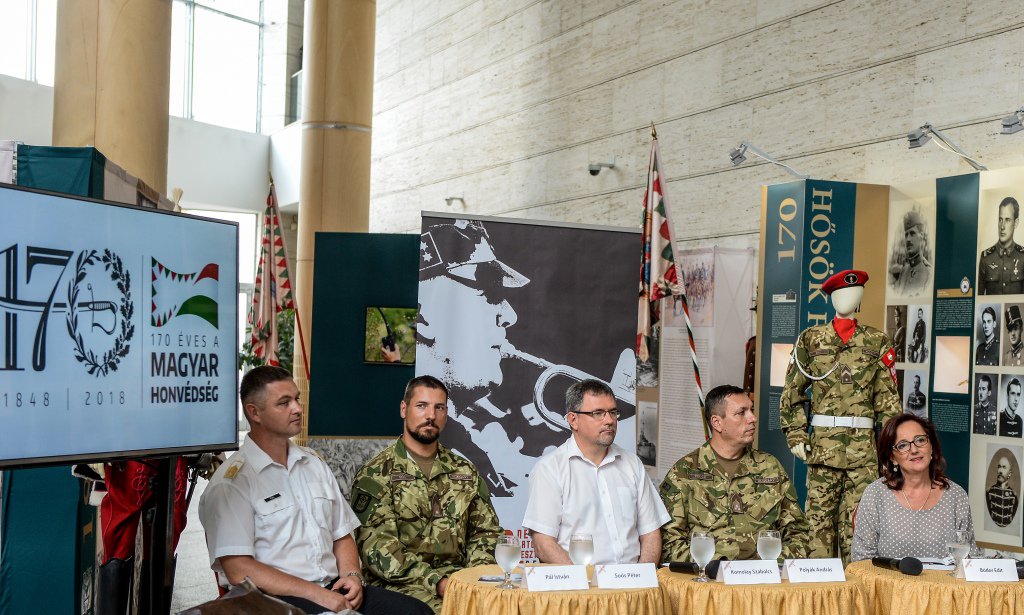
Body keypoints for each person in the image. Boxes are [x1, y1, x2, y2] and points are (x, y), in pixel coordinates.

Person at [199, 366, 432, 615]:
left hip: (332, 587)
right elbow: (238, 569)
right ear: (254, 412)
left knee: (418, 612)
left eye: (296, 399)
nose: (297, 408)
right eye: (284, 403)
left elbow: (342, 534)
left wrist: (352, 576)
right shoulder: (232, 482)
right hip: (273, 600)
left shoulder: (313, 463)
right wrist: (318, 595)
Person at [349, 375, 502, 613]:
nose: (431, 415)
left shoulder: (465, 471)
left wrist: (475, 577)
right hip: (400, 587)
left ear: (446, 414)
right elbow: (378, 548)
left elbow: (486, 532)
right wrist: (437, 582)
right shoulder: (376, 474)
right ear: (404, 409)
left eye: (439, 407)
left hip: (460, 581)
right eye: (422, 406)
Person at [780, 270, 901, 561]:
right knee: (817, 528)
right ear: (831, 297)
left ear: (861, 298)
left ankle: (857, 586)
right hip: (822, 450)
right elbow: (792, 392)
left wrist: (891, 450)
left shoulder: (877, 342)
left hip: (863, 455)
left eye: (854, 292)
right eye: (841, 293)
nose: (847, 298)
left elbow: (888, 402)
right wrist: (796, 433)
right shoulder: (810, 340)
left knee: (860, 530)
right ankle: (819, 585)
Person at [523, 379, 669, 565]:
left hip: (631, 581)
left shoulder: (633, 464)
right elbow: (543, 543)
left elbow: (651, 533)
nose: (609, 421)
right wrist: (580, 579)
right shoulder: (550, 469)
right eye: (598, 413)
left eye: (613, 412)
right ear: (573, 420)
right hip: (579, 581)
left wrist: (641, 576)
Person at [660, 384, 812, 561]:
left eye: (751, 410)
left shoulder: (770, 467)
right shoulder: (684, 473)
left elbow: (798, 533)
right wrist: (717, 567)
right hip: (708, 576)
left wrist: (766, 567)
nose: (753, 418)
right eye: (741, 413)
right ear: (717, 423)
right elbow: (670, 543)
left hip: (763, 575)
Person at [850, 414, 980, 561]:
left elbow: (970, 559)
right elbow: (862, 559)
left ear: (931, 446)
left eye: (920, 440)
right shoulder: (875, 494)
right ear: (892, 457)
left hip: (945, 577)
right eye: (903, 445)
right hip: (886, 577)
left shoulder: (956, 495)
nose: (914, 450)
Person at [978, 196, 1024, 295]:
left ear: (1016, 223)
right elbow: (979, 297)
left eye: (1007, 220)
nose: (1002, 226)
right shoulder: (986, 258)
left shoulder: (1022, 257)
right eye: (1000, 220)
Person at [889, 208, 932, 296]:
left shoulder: (929, 273)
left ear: (921, 236)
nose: (908, 239)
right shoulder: (904, 272)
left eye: (912, 233)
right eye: (906, 235)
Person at [986, 456, 1019, 528]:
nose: (1000, 471)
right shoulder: (990, 492)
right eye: (999, 467)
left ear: (1009, 474)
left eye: (1004, 467)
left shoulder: (1013, 496)